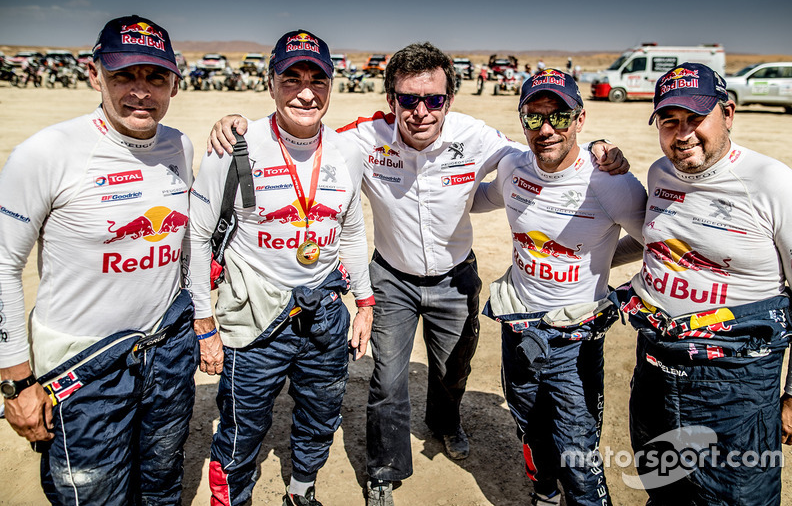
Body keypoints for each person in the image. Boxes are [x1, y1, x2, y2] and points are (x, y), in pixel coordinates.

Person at [208, 42, 628, 506]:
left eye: (435, 100)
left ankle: (445, 423)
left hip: (455, 277)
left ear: (450, 100)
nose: (421, 111)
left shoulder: (477, 137)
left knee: (453, 369)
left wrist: (596, 148)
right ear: (391, 101)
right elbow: (305, 132)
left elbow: (541, 151)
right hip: (392, 278)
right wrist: (236, 123)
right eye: (408, 99)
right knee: (387, 379)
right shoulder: (362, 138)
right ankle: (384, 470)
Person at [0, 15, 197, 504]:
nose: (140, 91)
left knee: (161, 482)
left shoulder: (179, 145)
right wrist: (15, 383)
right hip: (83, 368)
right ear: (94, 75)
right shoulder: (47, 151)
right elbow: (2, 265)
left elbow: (187, 245)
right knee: (94, 495)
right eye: (123, 75)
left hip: (167, 353)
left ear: (174, 81)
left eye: (155, 77)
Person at [186, 29, 374, 506]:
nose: (306, 92)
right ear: (271, 82)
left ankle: (301, 490)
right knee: (241, 426)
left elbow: (350, 231)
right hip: (255, 314)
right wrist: (204, 324)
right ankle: (234, 499)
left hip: (324, 313)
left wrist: (365, 303)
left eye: (318, 79)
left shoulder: (348, 151)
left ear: (332, 86)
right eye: (292, 78)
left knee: (321, 413)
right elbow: (198, 235)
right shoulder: (236, 145)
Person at [612, 62, 792, 504]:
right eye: (669, 121)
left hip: (736, 383)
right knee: (662, 487)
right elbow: (655, 239)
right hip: (657, 369)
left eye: (696, 119)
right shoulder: (660, 173)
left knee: (737, 497)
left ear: (728, 114)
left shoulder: (773, 183)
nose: (682, 134)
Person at [472, 69, 647, 505]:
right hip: (519, 327)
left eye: (559, 116)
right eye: (533, 118)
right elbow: (477, 199)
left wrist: (601, 258)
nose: (546, 130)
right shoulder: (513, 166)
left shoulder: (610, 182)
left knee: (578, 447)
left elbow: (653, 240)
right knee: (528, 423)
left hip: (574, 337)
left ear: (580, 119)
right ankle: (545, 493)